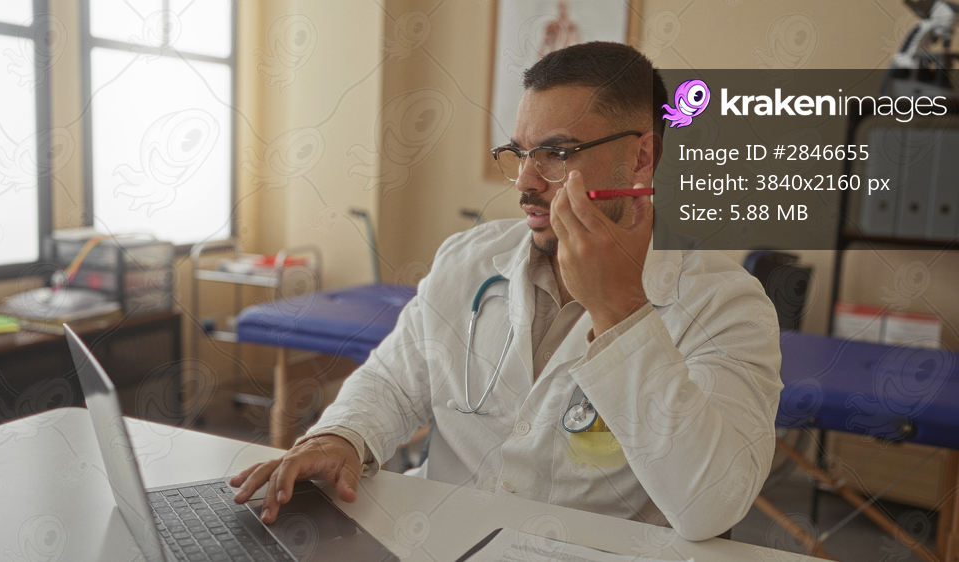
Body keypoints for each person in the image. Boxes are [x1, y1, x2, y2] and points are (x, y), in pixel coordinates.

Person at [230, 41, 783, 541]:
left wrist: (621, 311)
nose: (525, 181)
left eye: (557, 153)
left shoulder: (724, 303)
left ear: (641, 158)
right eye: (520, 153)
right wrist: (340, 437)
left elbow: (709, 506)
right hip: (434, 542)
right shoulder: (467, 260)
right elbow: (392, 382)